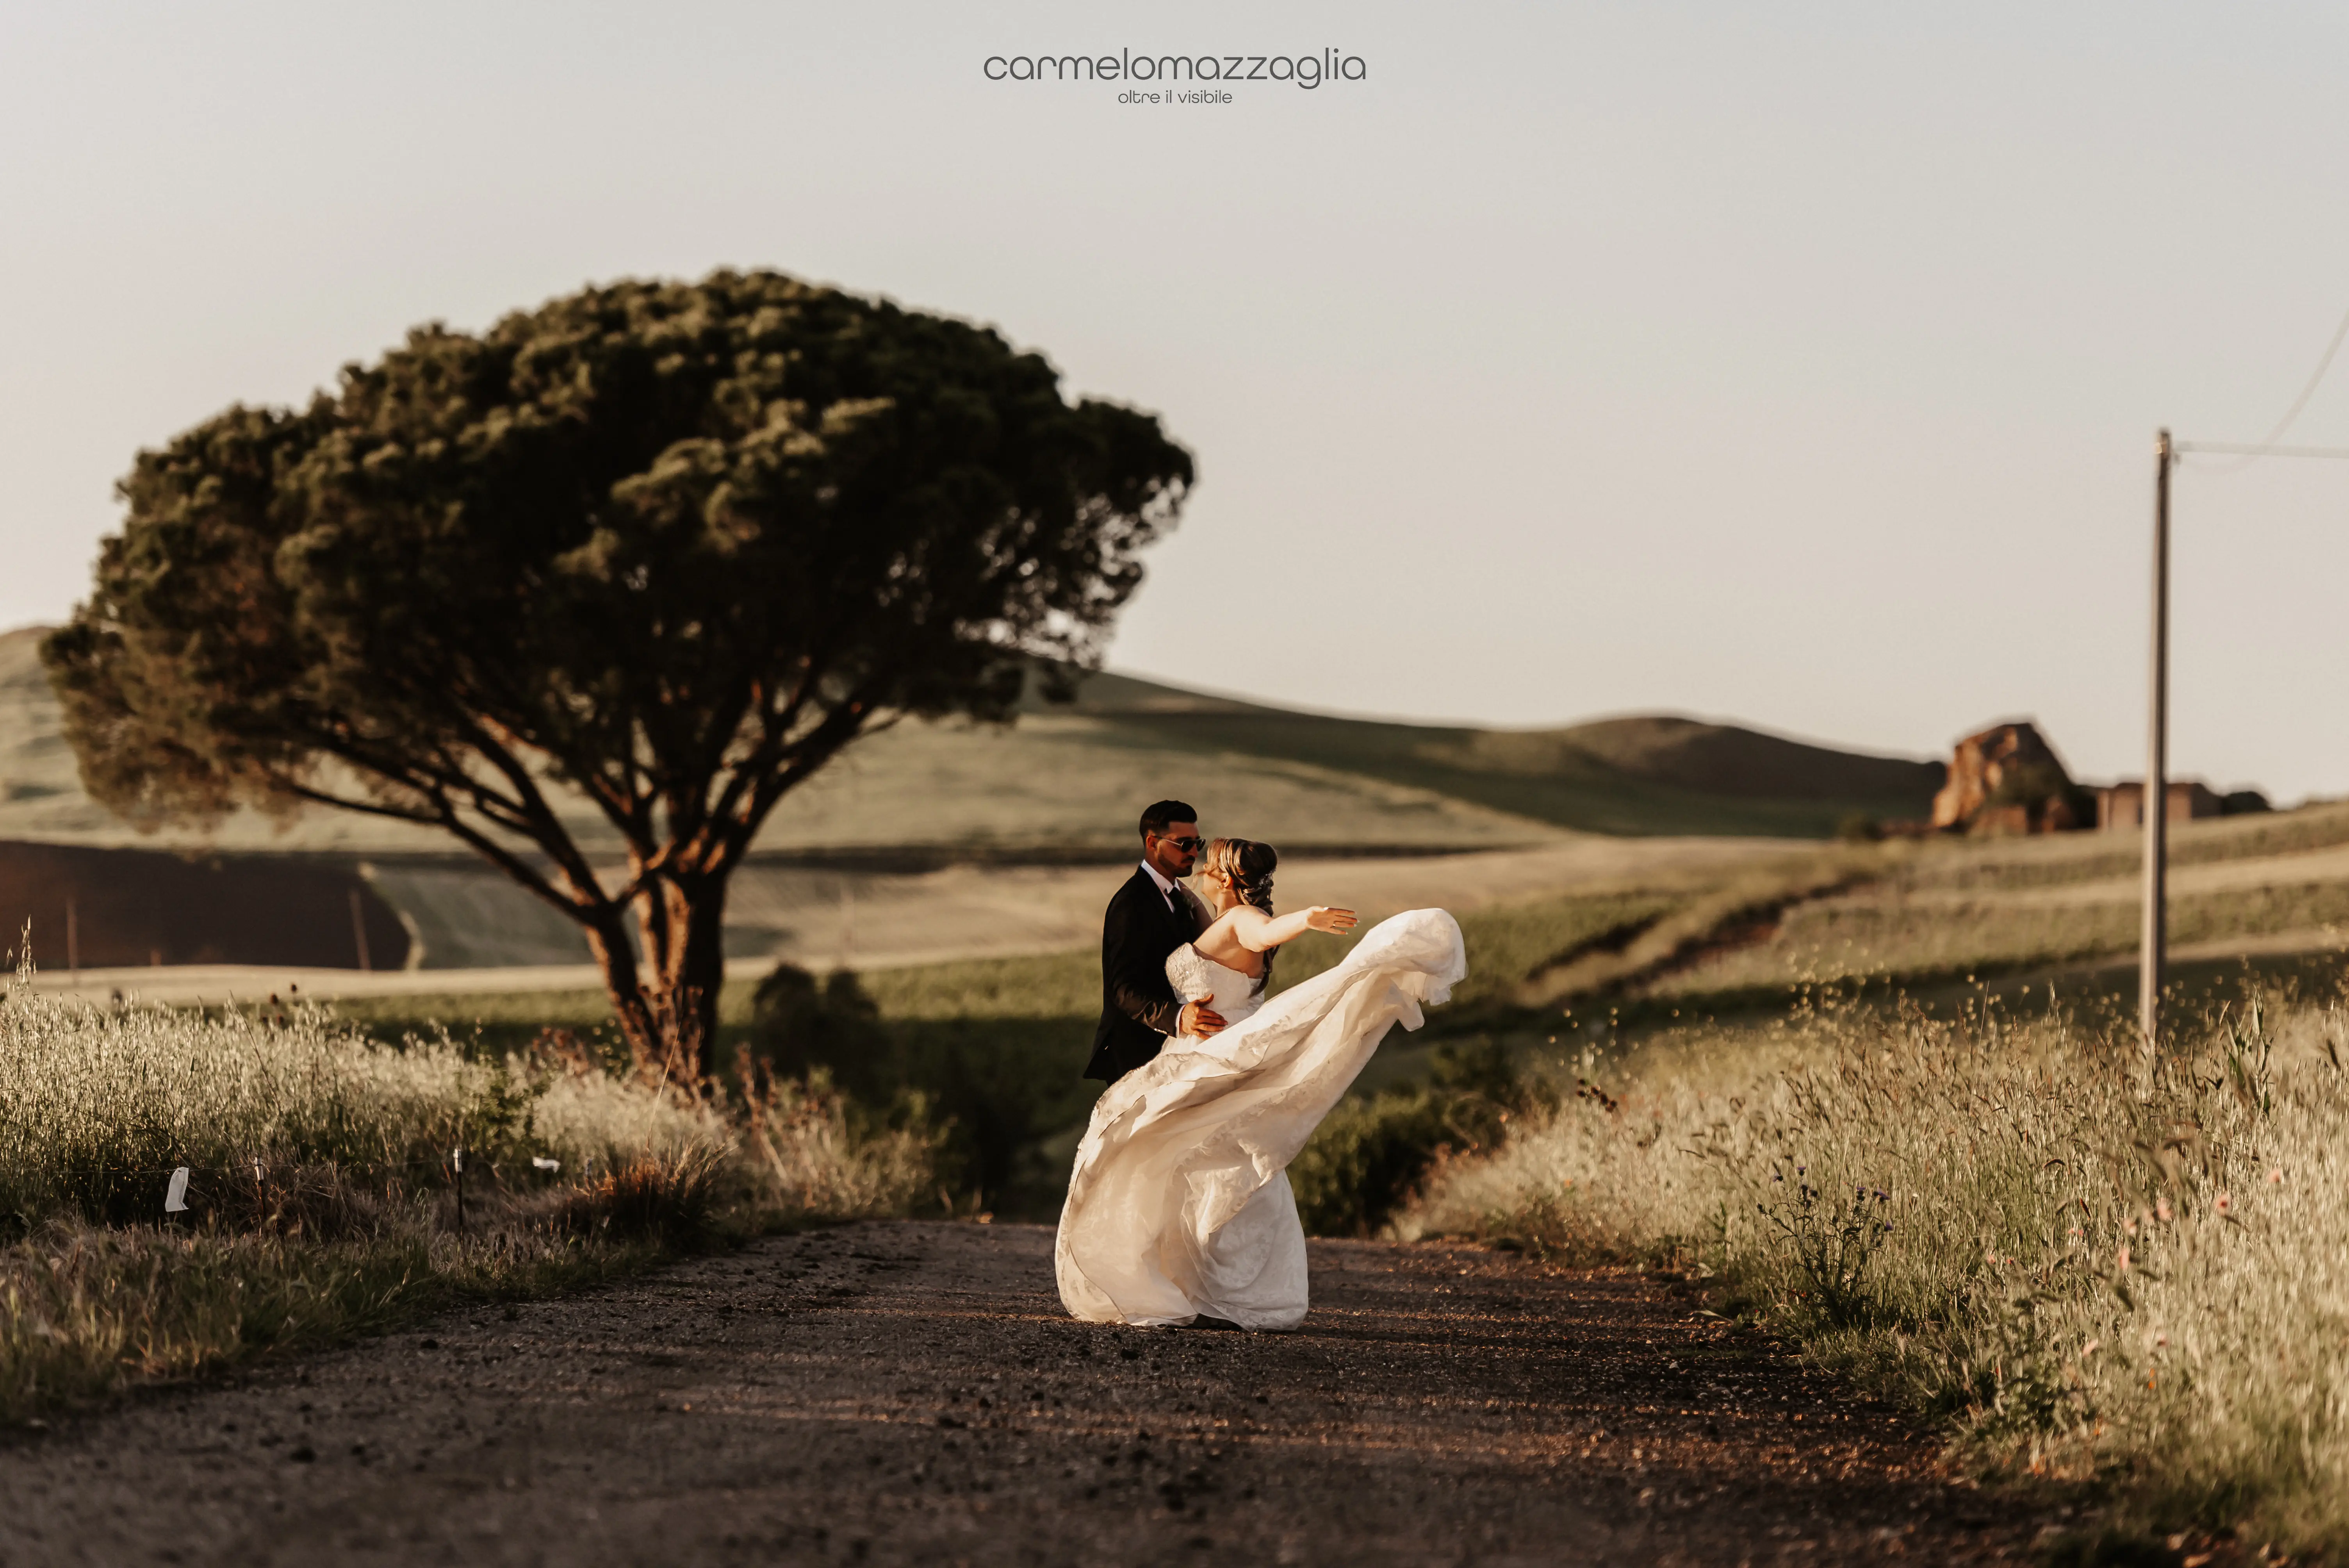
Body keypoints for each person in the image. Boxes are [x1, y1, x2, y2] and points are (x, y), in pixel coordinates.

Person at [1058, 832, 1465, 1331]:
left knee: (1182, 1152)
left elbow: (1264, 932)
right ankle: (1195, 1282)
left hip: (1214, 1050)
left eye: (1208, 866)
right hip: (1194, 1047)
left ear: (1225, 878)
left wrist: (1307, 920)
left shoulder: (1241, 919)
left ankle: (1218, 1287)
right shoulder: (1213, 917)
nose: (1200, 871)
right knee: (1191, 1157)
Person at [1083, 800, 1221, 1085]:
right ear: (1152, 843)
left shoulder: (1182, 898)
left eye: (1198, 843)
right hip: (1137, 1055)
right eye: (1184, 844)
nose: (1194, 852)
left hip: (1179, 1054)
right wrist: (1179, 1017)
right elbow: (1123, 991)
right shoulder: (1130, 903)